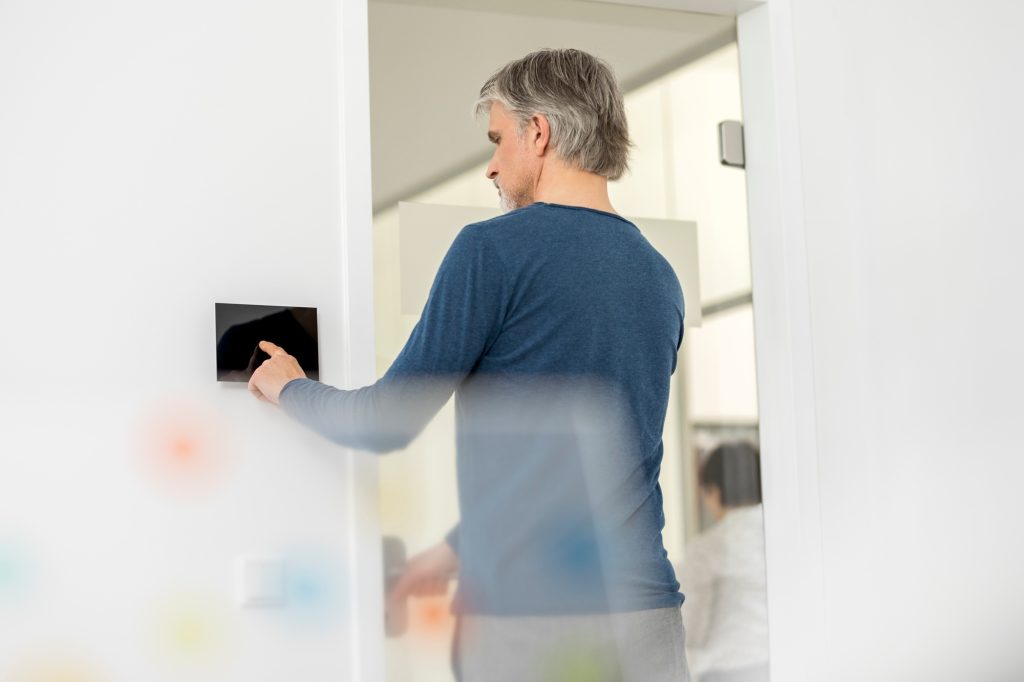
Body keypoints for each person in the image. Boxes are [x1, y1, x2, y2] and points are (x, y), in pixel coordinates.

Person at [248, 48, 688, 681]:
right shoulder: (658, 275)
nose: (491, 165)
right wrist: (450, 553)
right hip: (646, 619)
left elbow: (385, 421)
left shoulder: (493, 250)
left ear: (538, 133)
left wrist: (290, 387)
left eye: (498, 139)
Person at [680, 442, 769, 682]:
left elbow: (690, 628)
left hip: (724, 672)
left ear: (714, 492)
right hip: (778, 665)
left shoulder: (708, 547)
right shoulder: (780, 539)